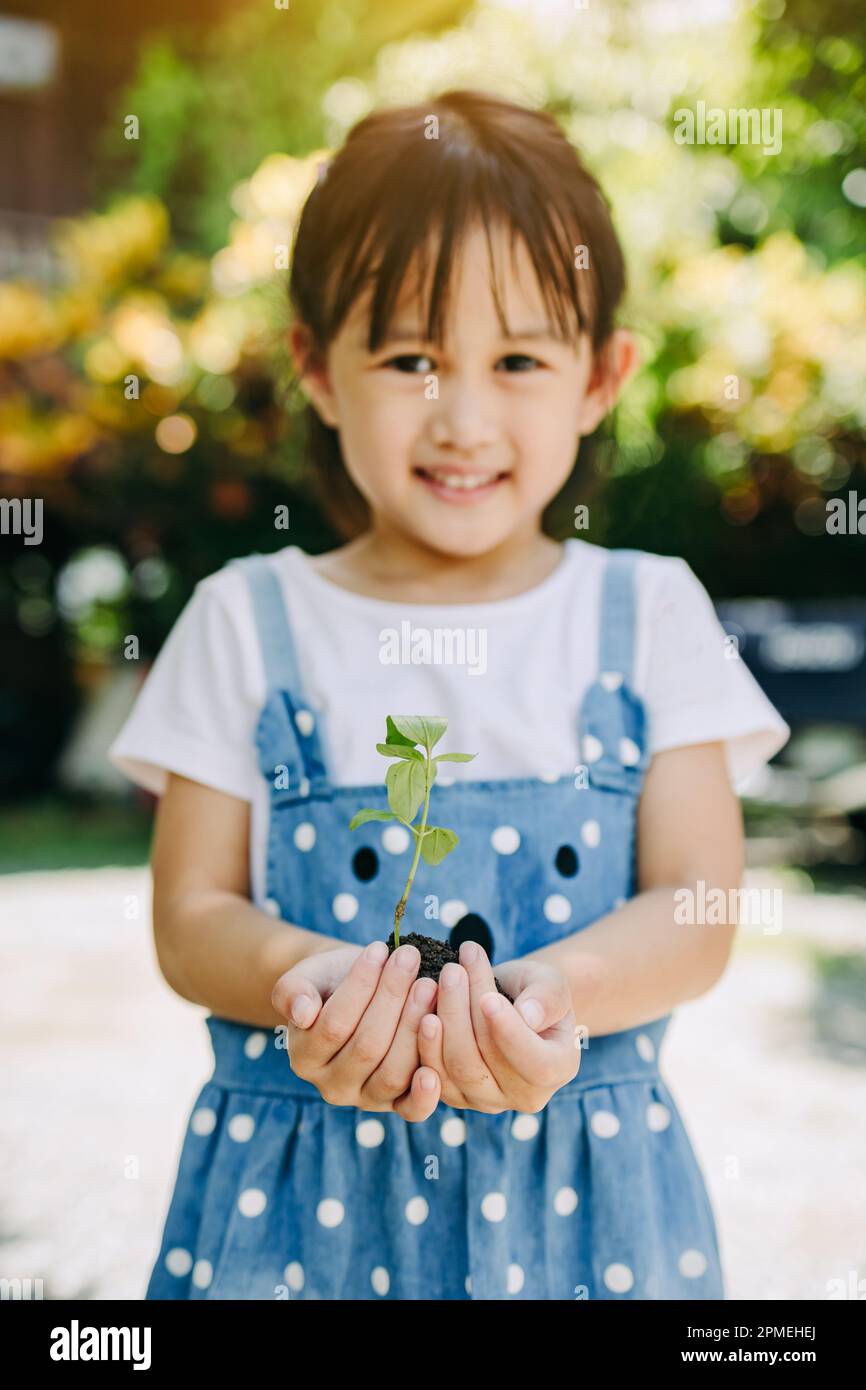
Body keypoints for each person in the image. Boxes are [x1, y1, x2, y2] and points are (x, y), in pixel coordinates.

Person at [109, 89, 789, 1301]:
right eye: (410, 357)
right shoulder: (244, 621)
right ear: (318, 368)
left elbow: (697, 904)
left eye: (518, 358)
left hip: (592, 1212)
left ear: (598, 376)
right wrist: (311, 983)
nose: (463, 418)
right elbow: (188, 913)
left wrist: (554, 997)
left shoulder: (646, 614)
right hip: (292, 1214)